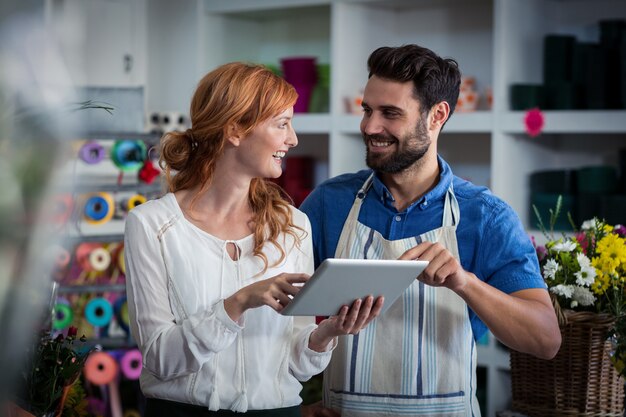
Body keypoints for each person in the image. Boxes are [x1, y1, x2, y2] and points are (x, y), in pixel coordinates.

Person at [300, 45, 562, 416]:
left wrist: (465, 282)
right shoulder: (329, 203)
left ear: (437, 115)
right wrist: (289, 409)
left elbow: (545, 339)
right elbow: (271, 314)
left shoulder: (485, 216)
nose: (370, 127)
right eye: (367, 110)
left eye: (390, 113)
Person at [124, 62, 383, 417]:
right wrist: (240, 302)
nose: (292, 139)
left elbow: (295, 363)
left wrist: (326, 334)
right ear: (234, 129)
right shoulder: (151, 224)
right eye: (282, 124)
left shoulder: (293, 225)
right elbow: (160, 359)